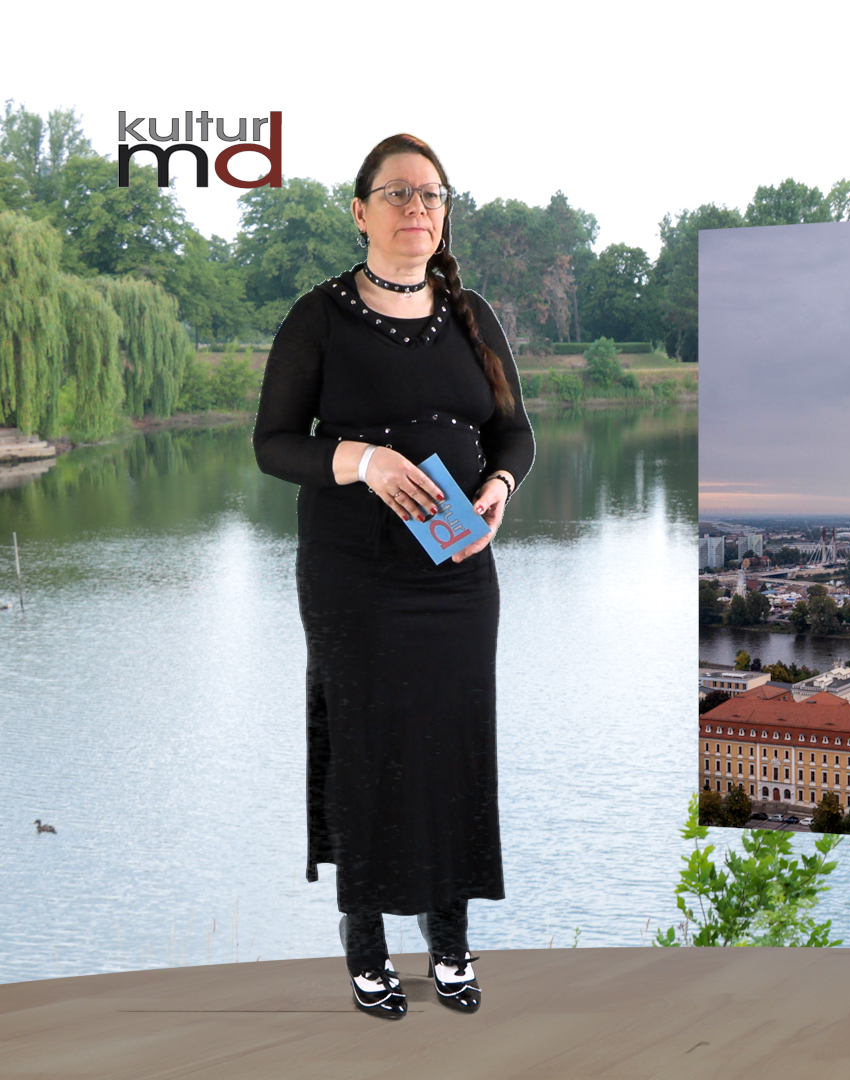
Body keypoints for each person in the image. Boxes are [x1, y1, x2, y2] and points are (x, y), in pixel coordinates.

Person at [254, 133, 533, 1021]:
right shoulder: (319, 316)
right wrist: (363, 460)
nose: (418, 207)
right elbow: (273, 445)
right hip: (355, 576)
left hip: (458, 576)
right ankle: (367, 945)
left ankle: (449, 943)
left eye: (432, 194)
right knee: (368, 751)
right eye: (399, 192)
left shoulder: (472, 314)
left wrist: (500, 486)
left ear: (444, 212)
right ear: (361, 211)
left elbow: (514, 433)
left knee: (454, 749)